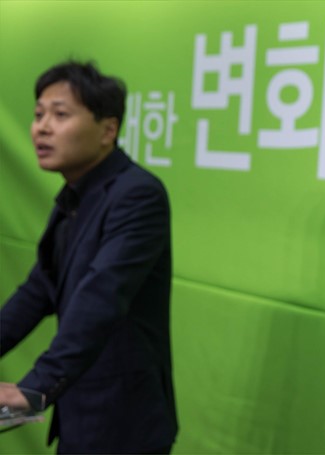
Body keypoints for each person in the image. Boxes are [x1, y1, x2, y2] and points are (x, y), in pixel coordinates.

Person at [0, 61, 178, 454]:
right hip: (78, 411)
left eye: (60, 115)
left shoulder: (137, 195)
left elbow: (102, 295)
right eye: (38, 115)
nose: (42, 127)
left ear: (108, 130)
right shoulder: (73, 196)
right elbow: (37, 291)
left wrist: (33, 392)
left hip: (123, 420)